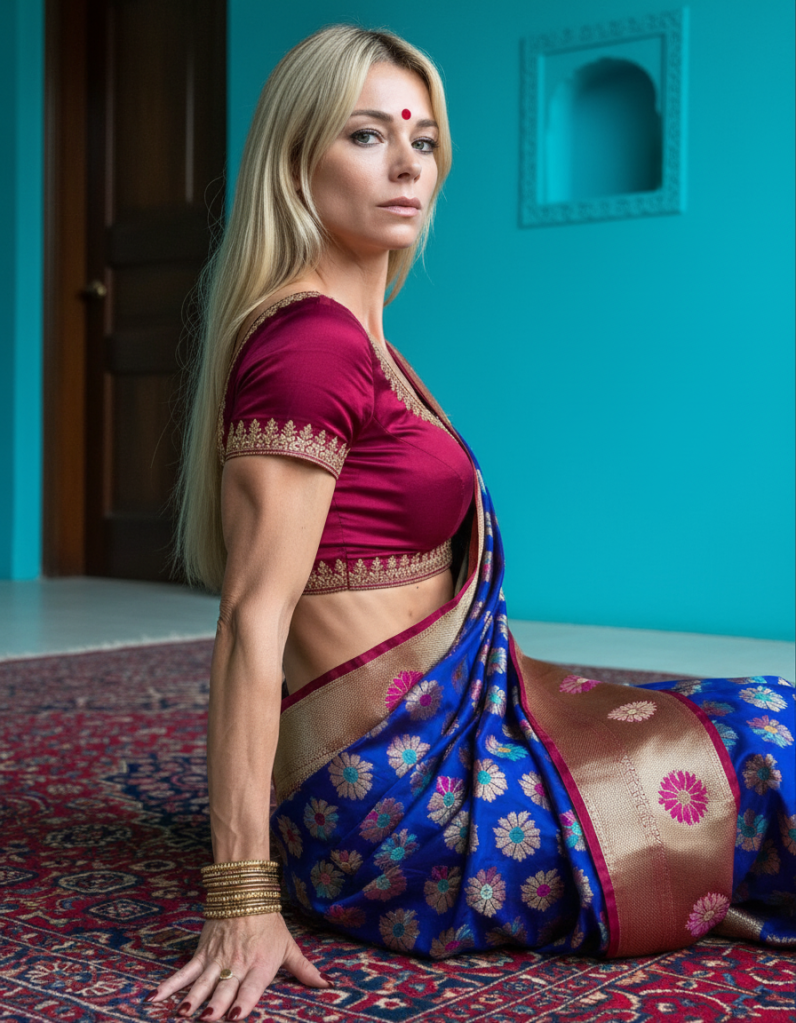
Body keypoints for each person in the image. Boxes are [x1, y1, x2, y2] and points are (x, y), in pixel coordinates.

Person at [147, 24, 796, 1022]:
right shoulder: (310, 344)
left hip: (444, 740)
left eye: (424, 137)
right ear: (293, 160)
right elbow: (250, 621)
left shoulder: (364, 338)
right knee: (765, 741)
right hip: (399, 813)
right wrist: (240, 895)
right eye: (366, 135)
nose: (408, 164)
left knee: (735, 707)